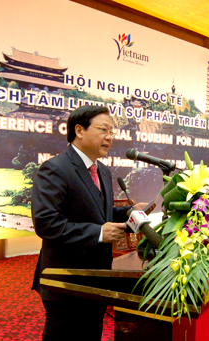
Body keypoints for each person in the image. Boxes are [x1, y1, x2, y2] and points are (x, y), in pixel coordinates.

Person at [31, 105, 152, 340]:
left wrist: (130, 211)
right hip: (65, 280)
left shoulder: (102, 171)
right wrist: (97, 233)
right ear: (79, 130)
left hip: (97, 277)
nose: (109, 137)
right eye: (103, 129)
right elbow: (46, 223)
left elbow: (100, 213)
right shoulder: (55, 168)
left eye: (112, 132)